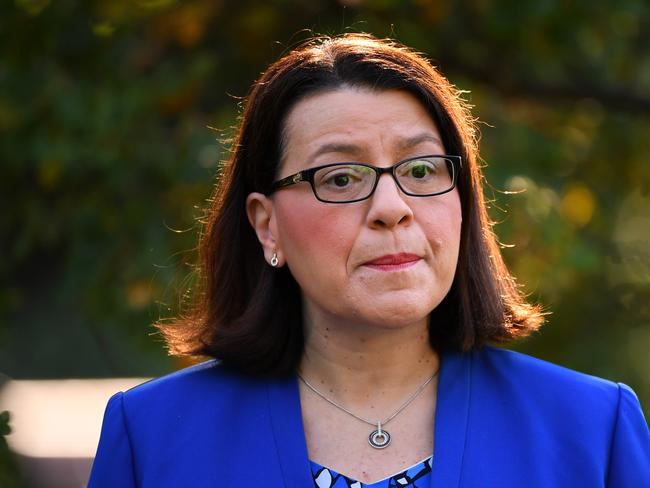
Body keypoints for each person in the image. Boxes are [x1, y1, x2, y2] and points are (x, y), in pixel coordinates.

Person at [88, 33, 650, 487]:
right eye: (340, 177)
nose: (391, 208)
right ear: (267, 224)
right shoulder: (153, 437)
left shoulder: (591, 430)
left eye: (422, 170)